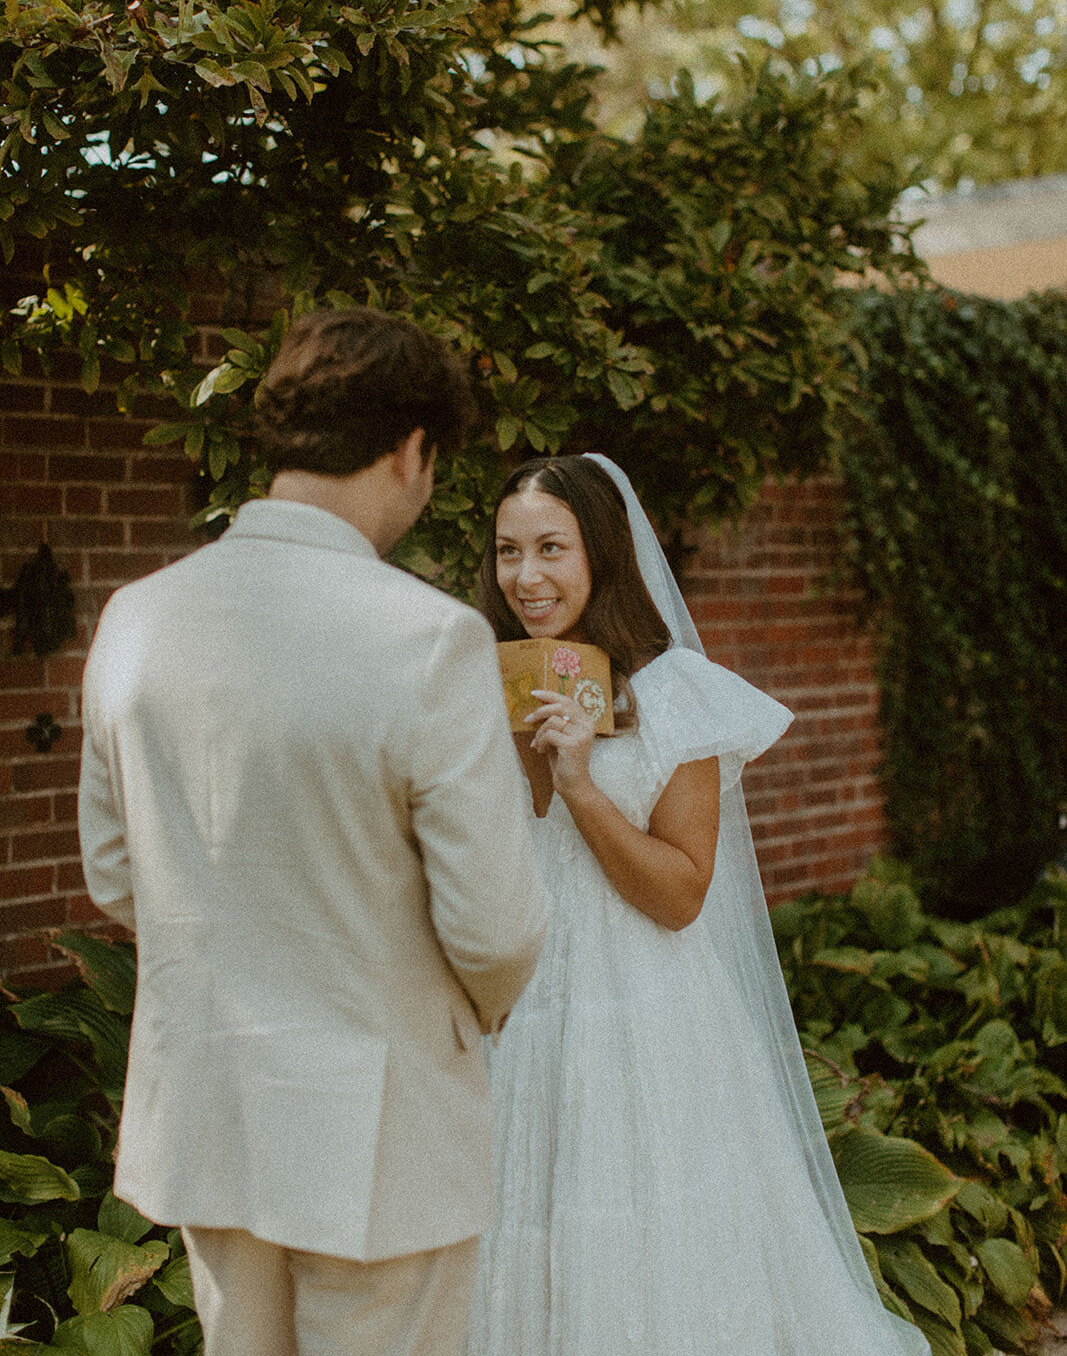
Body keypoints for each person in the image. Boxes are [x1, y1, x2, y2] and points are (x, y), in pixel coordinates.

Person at [77, 307, 551, 1356]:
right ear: (409, 450)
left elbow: (116, 873)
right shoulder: (429, 639)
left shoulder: (136, 617)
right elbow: (495, 927)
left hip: (207, 1097)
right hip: (383, 1120)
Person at [465, 453, 931, 1356]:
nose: (524, 576)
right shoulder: (489, 682)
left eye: (550, 548)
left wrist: (581, 788)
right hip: (518, 1009)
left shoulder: (673, 693)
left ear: (599, 551)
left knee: (649, 1234)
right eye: (506, 551)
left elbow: (680, 895)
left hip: (643, 1013)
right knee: (524, 1229)